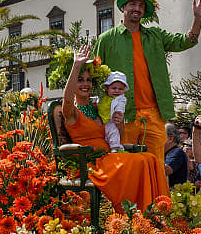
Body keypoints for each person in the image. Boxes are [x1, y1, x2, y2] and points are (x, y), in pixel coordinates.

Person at [93, 0, 201, 168]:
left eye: (141, 5)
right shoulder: (106, 39)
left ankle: (157, 198)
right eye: (133, 4)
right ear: (123, 7)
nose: (137, 8)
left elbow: (186, 41)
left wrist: (198, 19)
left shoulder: (155, 36)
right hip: (123, 115)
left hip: (154, 115)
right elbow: (96, 76)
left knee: (155, 166)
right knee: (125, 166)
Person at [57, 46, 169, 210]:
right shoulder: (71, 112)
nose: (85, 84)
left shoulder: (98, 107)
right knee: (140, 161)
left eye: (88, 80)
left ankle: (155, 211)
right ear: (73, 83)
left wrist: (119, 123)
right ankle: (134, 213)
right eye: (80, 80)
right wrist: (76, 66)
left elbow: (118, 135)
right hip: (92, 163)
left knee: (149, 158)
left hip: (110, 157)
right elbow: (66, 100)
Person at [99, 72, 129, 152]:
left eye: (120, 89)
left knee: (114, 132)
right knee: (105, 135)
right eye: (114, 88)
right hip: (102, 121)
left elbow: (121, 106)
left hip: (112, 120)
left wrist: (118, 111)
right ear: (107, 88)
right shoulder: (103, 97)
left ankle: (115, 147)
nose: (117, 91)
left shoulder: (120, 99)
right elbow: (98, 102)